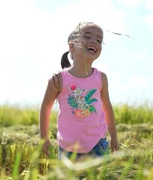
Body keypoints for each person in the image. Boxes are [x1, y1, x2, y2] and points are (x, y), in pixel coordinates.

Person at [40, 22, 119, 160]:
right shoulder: (59, 79)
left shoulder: (101, 78)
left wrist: (114, 137)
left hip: (98, 145)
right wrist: (44, 138)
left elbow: (107, 108)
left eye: (99, 40)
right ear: (72, 46)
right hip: (67, 149)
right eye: (87, 37)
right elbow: (46, 107)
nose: (94, 41)